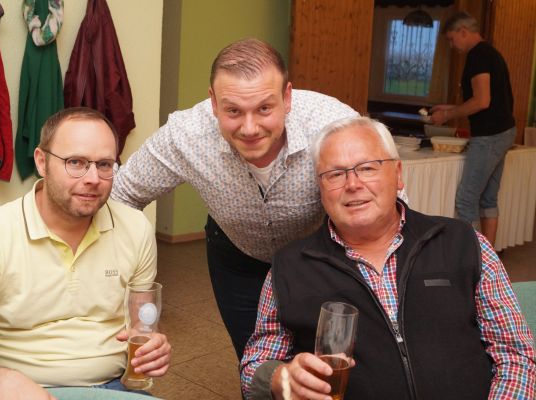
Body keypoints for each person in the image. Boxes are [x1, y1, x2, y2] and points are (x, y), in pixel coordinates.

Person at [240, 117, 536, 400]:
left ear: (398, 174)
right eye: (335, 174)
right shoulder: (290, 267)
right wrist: (279, 380)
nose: (352, 184)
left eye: (367, 168)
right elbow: (254, 367)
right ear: (320, 188)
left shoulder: (464, 243)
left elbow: (516, 355)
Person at [111, 38, 358, 360]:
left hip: (320, 255)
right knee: (255, 360)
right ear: (213, 103)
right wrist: (127, 286)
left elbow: (387, 202)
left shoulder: (335, 123)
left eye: (264, 108)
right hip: (238, 256)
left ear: (287, 97)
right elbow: (122, 195)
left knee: (325, 358)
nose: (250, 128)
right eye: (233, 111)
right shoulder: (186, 135)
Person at [0, 108, 171, 399]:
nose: (93, 178)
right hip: (20, 389)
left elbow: (142, 323)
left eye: (104, 164)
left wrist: (151, 343)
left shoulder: (135, 228)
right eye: (75, 162)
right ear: (41, 162)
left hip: (112, 385)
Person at [430, 11, 516, 247]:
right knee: (488, 199)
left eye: (451, 39)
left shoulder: (477, 56)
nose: (451, 45)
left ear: (463, 31)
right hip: (503, 131)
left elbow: (482, 101)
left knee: (466, 200)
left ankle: (473, 258)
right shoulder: (491, 53)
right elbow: (488, 100)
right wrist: (450, 107)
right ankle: (489, 259)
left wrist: (447, 115)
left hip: (489, 135)